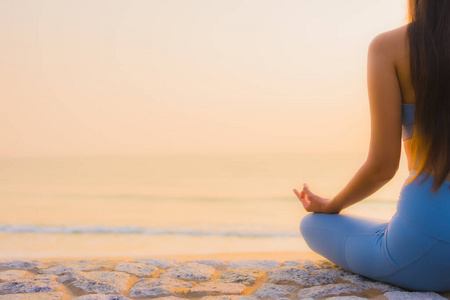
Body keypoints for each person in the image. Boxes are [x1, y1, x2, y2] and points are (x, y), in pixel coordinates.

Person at [293, 0, 450, 292]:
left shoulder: (389, 47)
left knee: (312, 226)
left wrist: (331, 205)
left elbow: (381, 167)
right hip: (426, 235)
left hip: (425, 243)